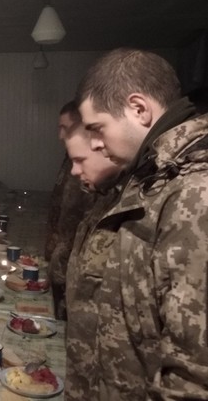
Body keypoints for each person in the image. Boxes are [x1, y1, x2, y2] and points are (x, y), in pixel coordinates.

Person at [76, 48, 208, 398]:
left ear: (138, 109)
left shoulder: (195, 191)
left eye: (97, 128)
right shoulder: (157, 175)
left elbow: (194, 376)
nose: (95, 144)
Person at [62, 120, 121, 400]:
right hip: (86, 360)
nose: (74, 170)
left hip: (110, 374)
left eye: (80, 160)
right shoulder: (104, 197)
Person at [44, 101, 92, 319]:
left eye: (65, 127)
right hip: (62, 260)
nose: (60, 135)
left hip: (73, 265)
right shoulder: (70, 160)